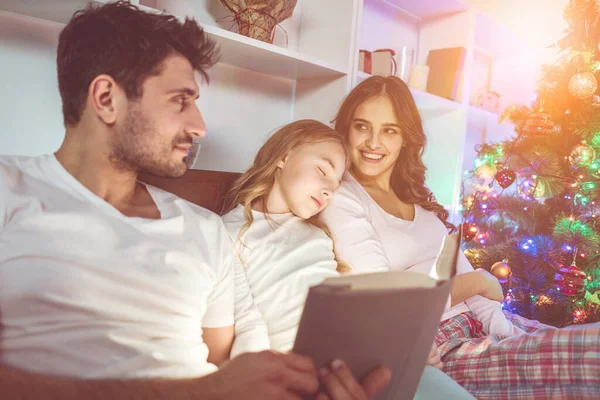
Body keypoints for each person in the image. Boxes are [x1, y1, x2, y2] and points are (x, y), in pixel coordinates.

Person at [0, 2, 391, 399]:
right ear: (105, 98)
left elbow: (229, 366)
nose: (199, 126)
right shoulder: (9, 189)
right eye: (179, 101)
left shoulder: (205, 228)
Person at [319, 74, 600, 399]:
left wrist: (507, 332)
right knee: (590, 355)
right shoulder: (343, 198)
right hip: (439, 344)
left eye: (389, 130)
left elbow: (471, 284)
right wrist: (478, 281)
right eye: (362, 126)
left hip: (494, 323)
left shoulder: (418, 204)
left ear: (405, 139)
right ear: (346, 129)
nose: (373, 143)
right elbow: (389, 301)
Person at [221, 119, 476, 399]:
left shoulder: (319, 234)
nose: (330, 188)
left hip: (358, 363)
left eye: (336, 181)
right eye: (322, 171)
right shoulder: (227, 233)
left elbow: (357, 307)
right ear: (284, 156)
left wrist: (408, 346)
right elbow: (245, 326)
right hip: (298, 375)